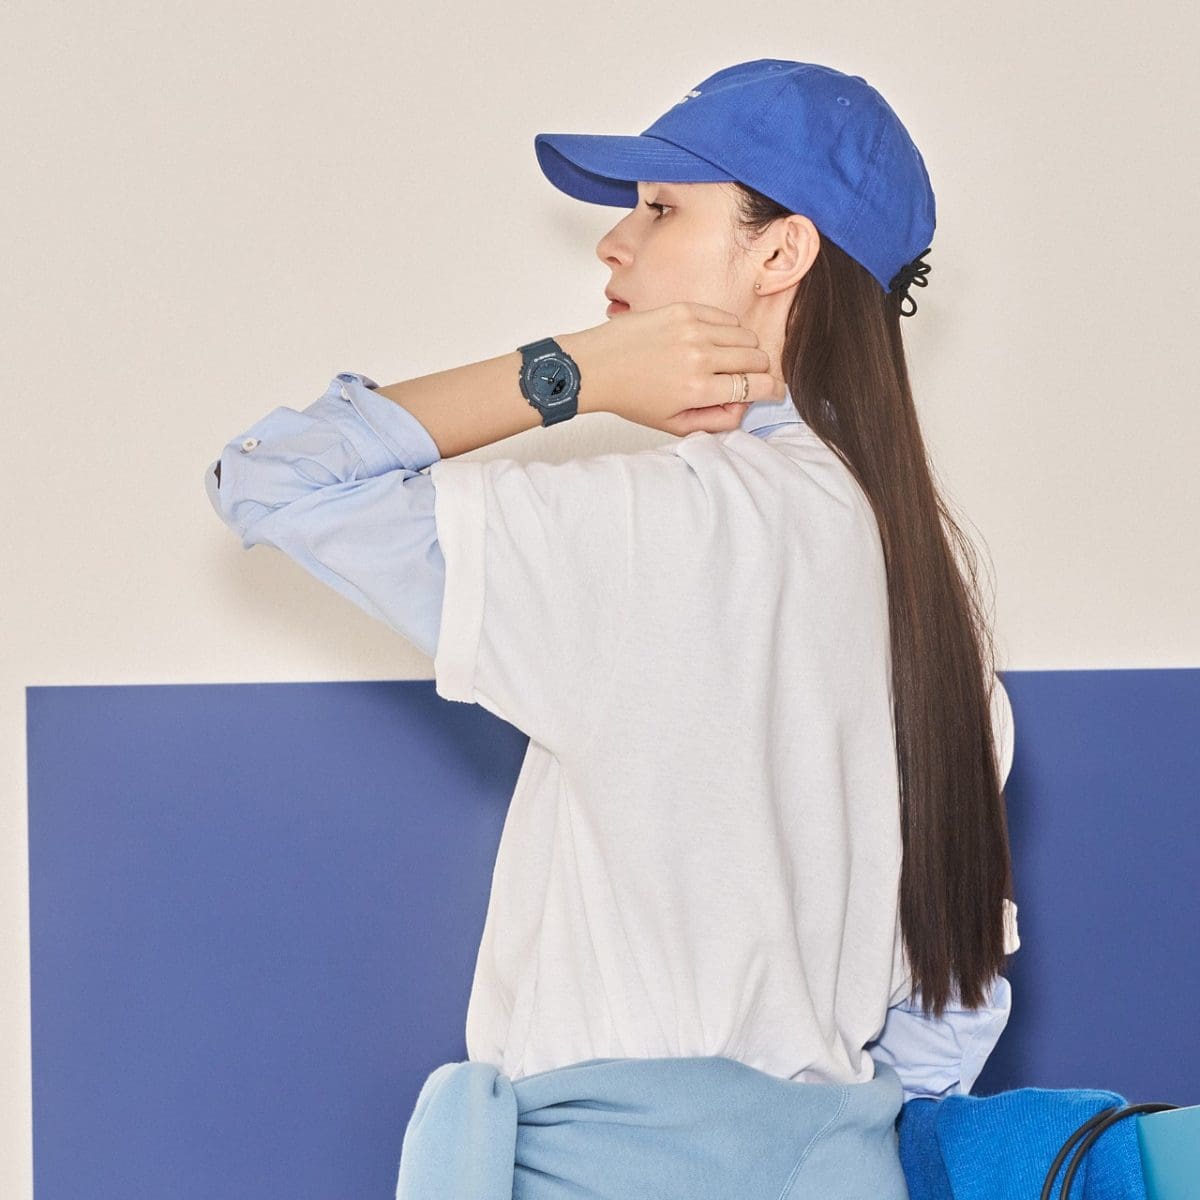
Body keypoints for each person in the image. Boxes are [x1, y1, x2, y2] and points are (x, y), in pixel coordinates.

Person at [205, 59, 1021, 1199]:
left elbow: (274, 481)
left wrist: (570, 373)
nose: (612, 245)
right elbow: (953, 1004)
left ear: (780, 253)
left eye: (658, 207)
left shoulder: (666, 526)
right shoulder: (938, 605)